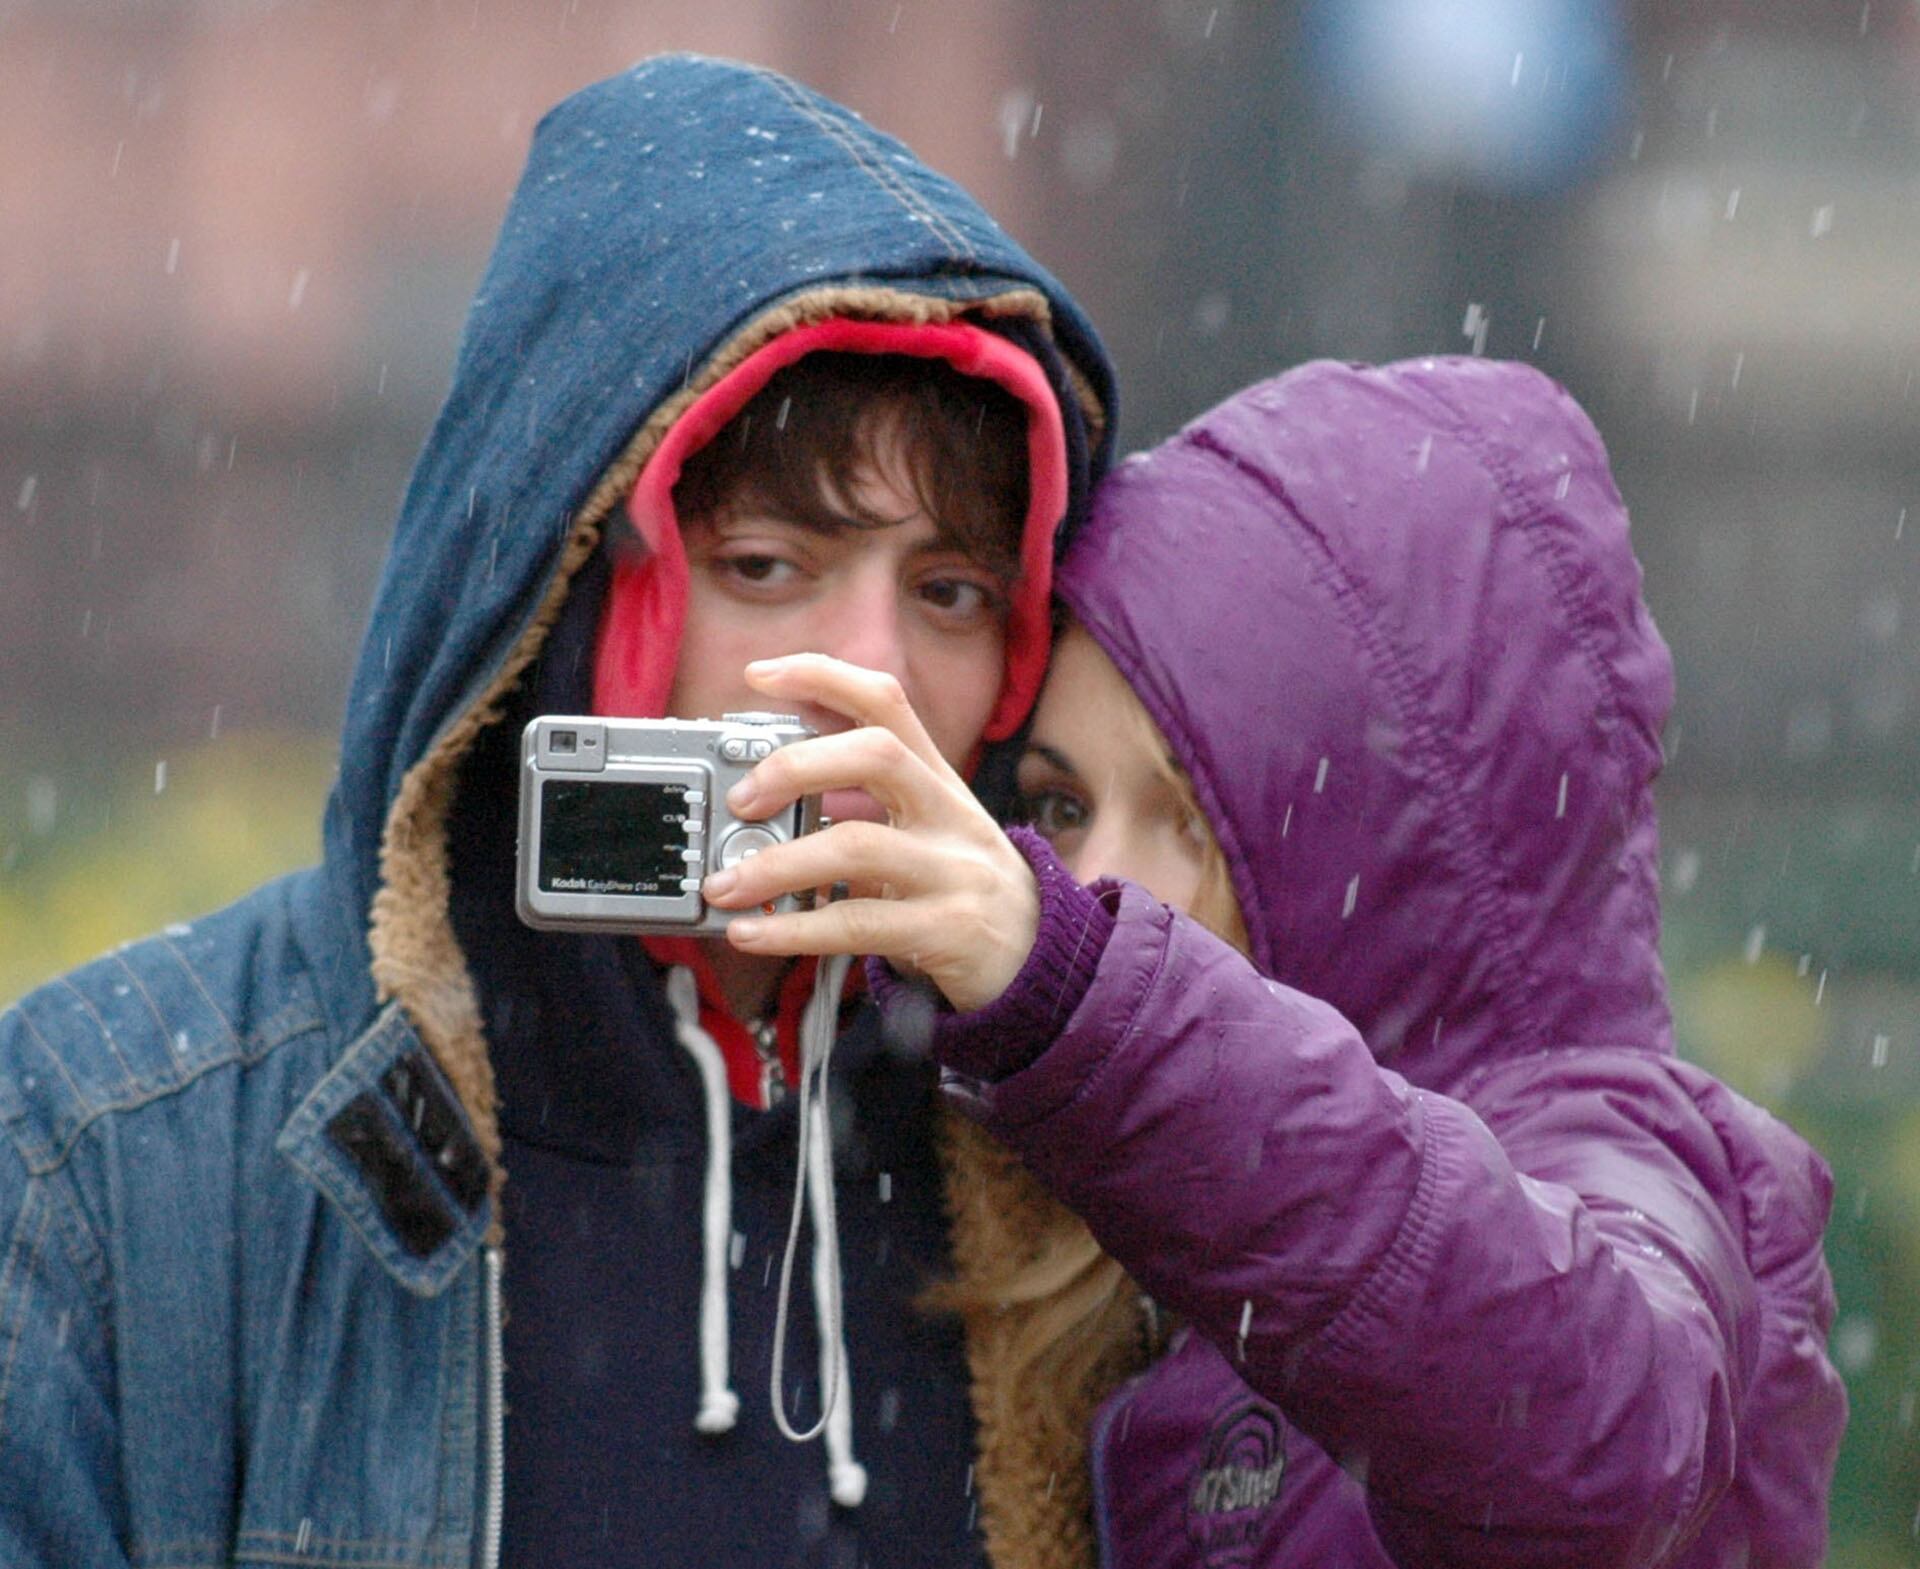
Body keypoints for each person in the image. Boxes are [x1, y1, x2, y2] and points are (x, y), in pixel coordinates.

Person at [0, 56, 1115, 1569]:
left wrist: (1086, 1034)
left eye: (952, 592)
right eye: (764, 565)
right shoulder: (115, 1149)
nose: (874, 675)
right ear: (564, 599)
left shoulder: (1082, 1160)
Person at [700, 356, 1848, 1567]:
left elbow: (1587, 1445)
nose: (1100, 889)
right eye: (1063, 806)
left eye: (1190, 815)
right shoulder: (1138, 1215)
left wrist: (1086, 996)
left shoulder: (1619, 1165)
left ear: (1381, 848)